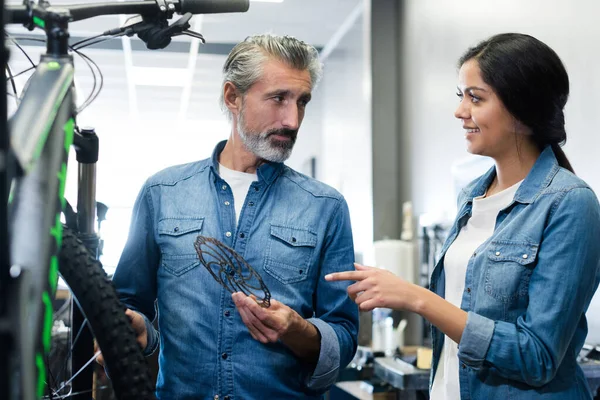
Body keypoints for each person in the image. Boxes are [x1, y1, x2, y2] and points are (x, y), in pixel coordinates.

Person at [326, 33, 600, 399]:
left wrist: (418, 298)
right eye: (462, 97)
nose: (460, 111)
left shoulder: (570, 203)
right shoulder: (471, 195)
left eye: (476, 98)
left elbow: (537, 356)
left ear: (521, 108)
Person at [111, 34, 359, 399]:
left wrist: (297, 330)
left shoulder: (326, 206)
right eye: (278, 98)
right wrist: (137, 332)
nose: (292, 120)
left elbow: (344, 335)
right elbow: (129, 304)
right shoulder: (162, 194)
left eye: (302, 101)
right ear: (233, 97)